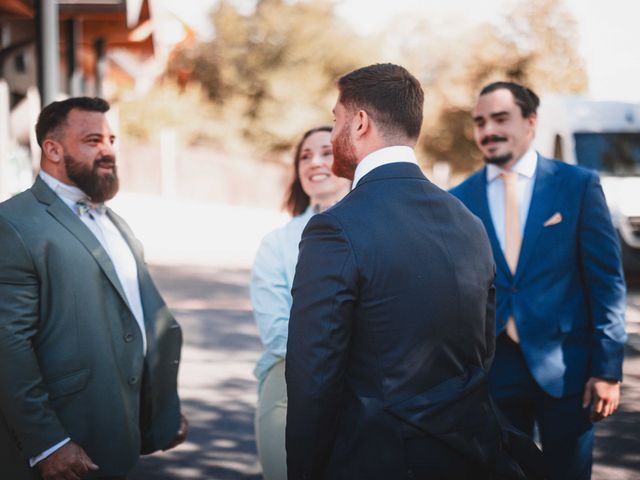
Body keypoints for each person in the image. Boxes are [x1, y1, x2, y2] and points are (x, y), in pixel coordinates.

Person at [284, 64, 539, 480]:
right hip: (467, 454)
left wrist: (304, 470)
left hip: (375, 458)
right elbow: (480, 351)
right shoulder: (468, 222)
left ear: (360, 122)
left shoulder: (336, 227)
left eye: (335, 119)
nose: (332, 136)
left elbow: (314, 373)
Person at [0, 97, 188, 480]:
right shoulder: (13, 223)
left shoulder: (114, 221)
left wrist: (160, 410)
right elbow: (8, 345)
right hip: (65, 438)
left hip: (119, 428)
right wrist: (47, 442)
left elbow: (135, 317)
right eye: (92, 140)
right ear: (52, 149)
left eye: (112, 139)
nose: (108, 151)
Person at [450, 81, 627, 479]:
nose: (488, 130)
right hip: (493, 371)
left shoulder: (577, 185)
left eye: (500, 118)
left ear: (530, 121)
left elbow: (606, 284)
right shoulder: (459, 199)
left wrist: (608, 369)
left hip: (568, 368)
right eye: (480, 122)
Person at [250, 126, 350, 480]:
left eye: (326, 151)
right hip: (288, 384)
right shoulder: (277, 243)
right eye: (305, 157)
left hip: (366, 389)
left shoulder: (379, 229)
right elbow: (276, 328)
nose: (315, 163)